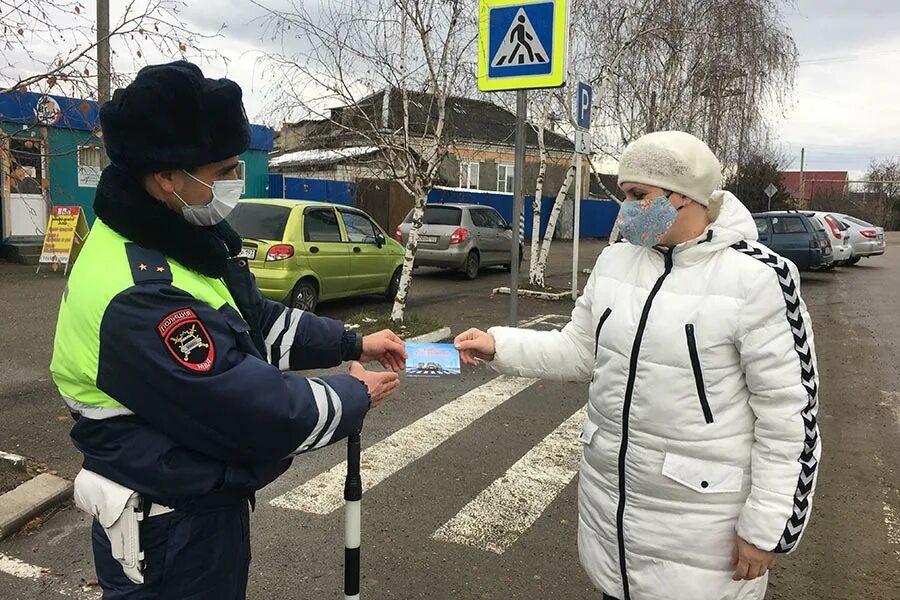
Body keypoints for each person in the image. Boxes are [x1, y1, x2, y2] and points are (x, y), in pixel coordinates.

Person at [50, 61, 406, 600]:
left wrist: (352, 342)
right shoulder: (139, 292)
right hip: (166, 527)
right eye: (221, 172)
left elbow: (255, 323)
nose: (233, 184)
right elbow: (250, 409)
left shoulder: (178, 239)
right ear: (167, 176)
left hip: (194, 506)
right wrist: (352, 394)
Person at [455, 131, 821, 600]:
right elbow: (579, 350)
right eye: (625, 195)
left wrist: (768, 529)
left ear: (683, 195)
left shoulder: (759, 279)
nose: (626, 209)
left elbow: (790, 418)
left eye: (637, 196)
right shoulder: (615, 263)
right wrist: (497, 345)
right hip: (614, 529)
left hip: (703, 542)